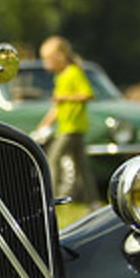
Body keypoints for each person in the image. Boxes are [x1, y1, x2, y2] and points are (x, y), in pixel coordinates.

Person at [33, 36, 100, 207]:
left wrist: (65, 98)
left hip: (72, 128)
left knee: (52, 160)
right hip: (66, 127)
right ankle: (92, 202)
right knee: (81, 167)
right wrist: (44, 124)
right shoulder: (60, 77)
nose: (45, 63)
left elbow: (88, 95)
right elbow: (57, 107)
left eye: (48, 59)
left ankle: (51, 200)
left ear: (60, 57)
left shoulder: (73, 73)